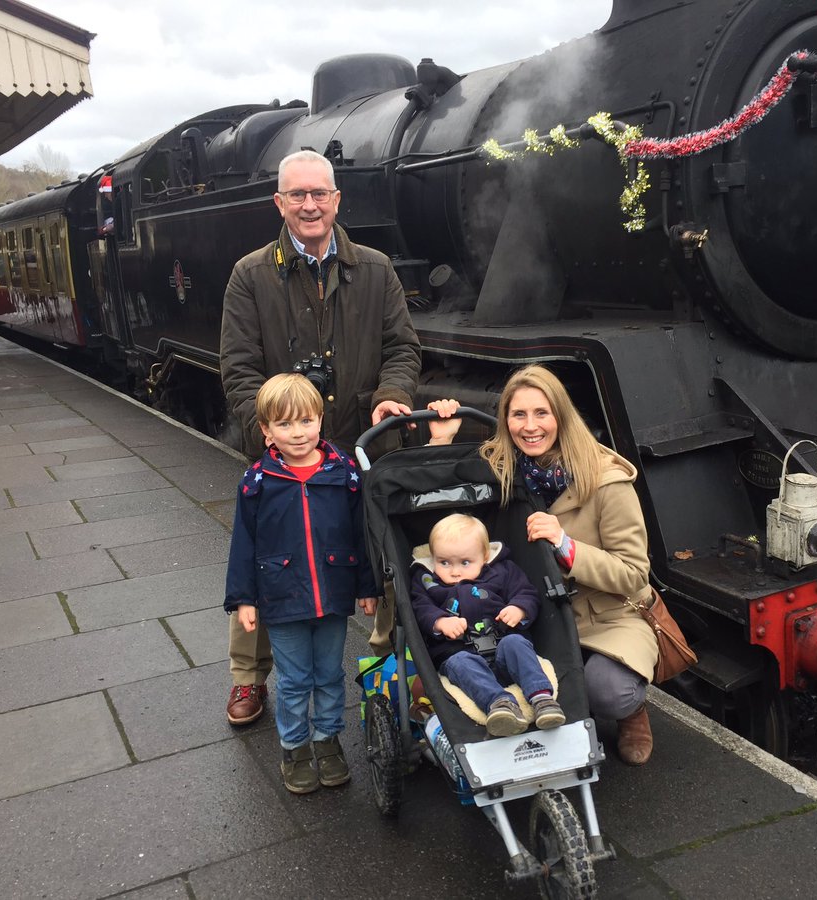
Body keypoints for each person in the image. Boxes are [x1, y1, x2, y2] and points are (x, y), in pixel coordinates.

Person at [218, 148, 421, 727]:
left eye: (320, 194)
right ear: (279, 203)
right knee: (266, 559)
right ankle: (248, 678)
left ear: (337, 199)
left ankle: (387, 665)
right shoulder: (249, 275)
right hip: (284, 452)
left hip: (359, 440)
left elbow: (403, 349)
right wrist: (271, 435)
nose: (310, 205)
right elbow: (237, 367)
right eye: (298, 195)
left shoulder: (376, 269)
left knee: (381, 554)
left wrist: (395, 396)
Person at [437, 366, 660, 765]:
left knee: (608, 691)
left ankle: (632, 711)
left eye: (542, 413)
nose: (530, 426)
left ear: (561, 415)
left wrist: (566, 544)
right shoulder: (501, 468)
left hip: (605, 615)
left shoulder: (607, 480)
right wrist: (442, 440)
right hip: (530, 612)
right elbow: (451, 527)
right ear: (505, 420)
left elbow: (633, 573)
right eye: (518, 415)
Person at [224, 373, 379, 794]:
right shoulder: (257, 482)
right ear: (266, 430)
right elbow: (244, 543)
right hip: (281, 596)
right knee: (294, 680)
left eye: (307, 421)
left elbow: (360, 533)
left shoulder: (344, 472)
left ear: (321, 419)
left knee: (330, 674)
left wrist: (367, 586)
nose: (298, 433)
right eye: (286, 424)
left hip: (332, 594)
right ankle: (295, 747)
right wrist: (243, 598)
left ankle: (327, 741)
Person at [411, 513, 566, 737]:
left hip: (503, 646)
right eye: (444, 562)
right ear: (433, 557)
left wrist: (519, 608)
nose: (454, 571)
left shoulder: (502, 571)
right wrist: (440, 622)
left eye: (465, 563)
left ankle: (542, 699)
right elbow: (420, 608)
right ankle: (500, 705)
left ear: (484, 557)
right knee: (460, 662)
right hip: (459, 652)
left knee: (516, 643)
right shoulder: (427, 581)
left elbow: (527, 593)